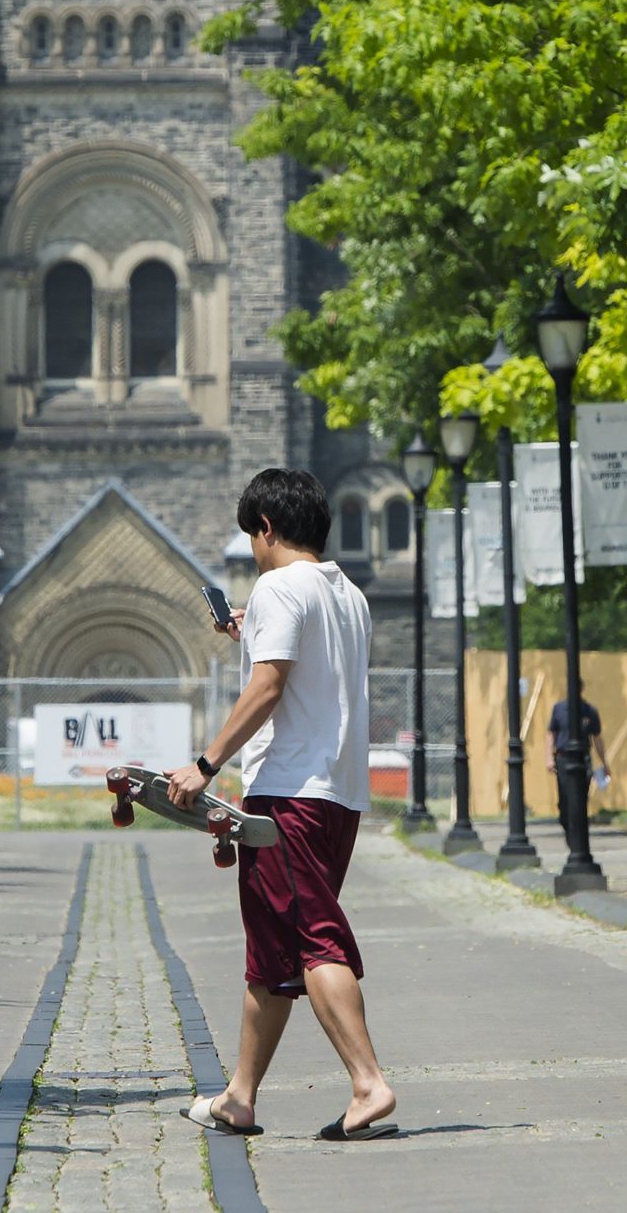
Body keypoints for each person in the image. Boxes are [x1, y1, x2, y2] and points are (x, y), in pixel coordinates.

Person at [164, 468, 396, 1143]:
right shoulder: (347, 594)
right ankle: (240, 1096)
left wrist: (206, 765)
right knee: (275, 948)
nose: (253, 551)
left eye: (251, 537)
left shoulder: (275, 587)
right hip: (338, 792)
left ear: (266, 528)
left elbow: (268, 689)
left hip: (290, 793)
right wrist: (253, 631)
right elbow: (307, 671)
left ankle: (367, 1082)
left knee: (313, 938)